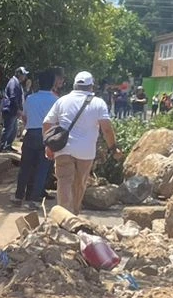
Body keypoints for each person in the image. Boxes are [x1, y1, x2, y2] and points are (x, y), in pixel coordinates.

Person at [40, 71, 116, 216]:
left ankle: (64, 217)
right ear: (91, 87)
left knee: (64, 182)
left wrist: (48, 146)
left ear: (74, 85)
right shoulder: (98, 103)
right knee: (79, 184)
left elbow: (46, 123)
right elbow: (106, 128)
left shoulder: (62, 100)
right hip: (86, 152)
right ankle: (74, 214)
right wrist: (113, 147)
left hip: (63, 149)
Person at [15, 69, 58, 206]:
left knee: (25, 167)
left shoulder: (30, 98)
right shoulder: (56, 101)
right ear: (52, 84)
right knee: (42, 169)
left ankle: (18, 196)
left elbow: (24, 117)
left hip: (31, 134)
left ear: (38, 83)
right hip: (47, 136)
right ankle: (33, 199)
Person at [0, 67, 27, 153]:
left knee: (13, 129)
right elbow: (13, 97)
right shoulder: (13, 82)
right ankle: (1, 146)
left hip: (13, 110)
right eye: (23, 74)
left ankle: (8, 145)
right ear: (18, 74)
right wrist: (18, 109)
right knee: (8, 128)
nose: (24, 76)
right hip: (10, 109)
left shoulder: (17, 83)